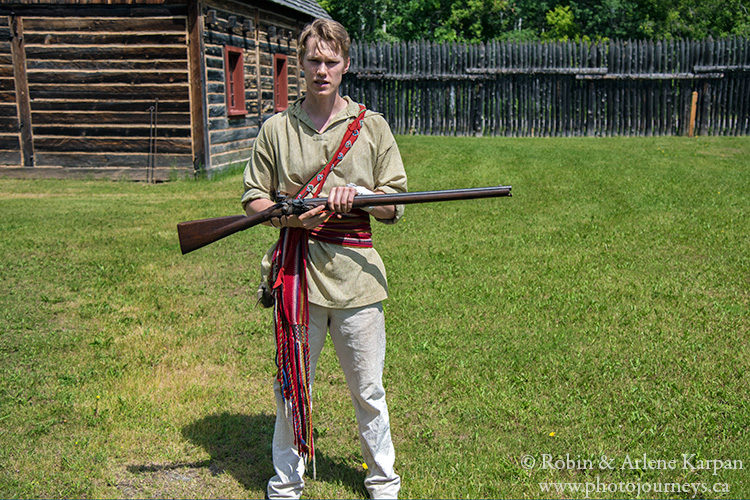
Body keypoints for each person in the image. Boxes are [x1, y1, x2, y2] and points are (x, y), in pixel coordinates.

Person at [240, 18, 407, 500]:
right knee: (291, 387)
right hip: (297, 276)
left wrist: (360, 195)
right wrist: (291, 220)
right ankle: (286, 482)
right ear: (301, 63)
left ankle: (382, 482)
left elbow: (395, 203)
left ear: (345, 65)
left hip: (358, 280)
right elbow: (253, 198)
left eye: (331, 61)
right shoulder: (276, 128)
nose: (322, 70)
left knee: (368, 391)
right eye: (313, 60)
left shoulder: (370, 126)